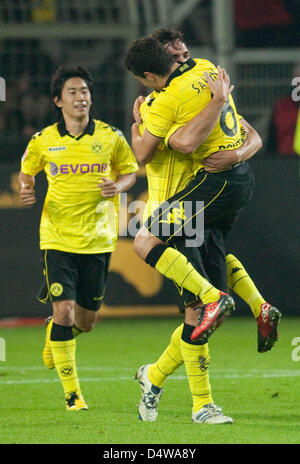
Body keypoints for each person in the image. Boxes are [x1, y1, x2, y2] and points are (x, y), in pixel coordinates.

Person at [124, 35, 280, 423]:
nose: (182, 54)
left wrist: (235, 152)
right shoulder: (190, 86)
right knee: (198, 312)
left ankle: (154, 376)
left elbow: (238, 135)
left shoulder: (178, 93)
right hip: (178, 206)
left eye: (183, 49)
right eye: (174, 51)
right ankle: (202, 405)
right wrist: (144, 123)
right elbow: (149, 151)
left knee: (207, 312)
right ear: (161, 61)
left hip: (197, 203)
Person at [19, 65, 138, 411]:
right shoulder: (44, 140)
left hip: (99, 240)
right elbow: (26, 173)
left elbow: (129, 172)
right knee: (66, 312)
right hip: (57, 239)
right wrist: (27, 190)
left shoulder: (111, 137)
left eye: (84, 91)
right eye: (72, 92)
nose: (80, 97)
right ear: (58, 100)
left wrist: (118, 186)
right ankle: (73, 395)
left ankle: (52, 329)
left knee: (84, 322)